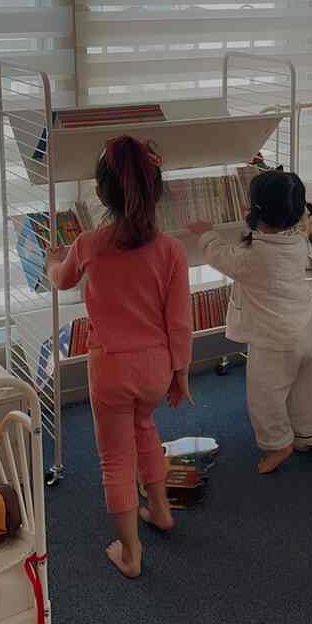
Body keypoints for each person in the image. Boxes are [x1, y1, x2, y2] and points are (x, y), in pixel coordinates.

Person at [47, 135, 192, 578]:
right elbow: (180, 321)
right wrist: (180, 374)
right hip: (156, 365)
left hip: (110, 366)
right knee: (146, 430)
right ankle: (161, 511)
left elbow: (62, 280)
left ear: (100, 193)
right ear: (156, 189)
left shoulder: (88, 244)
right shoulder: (172, 250)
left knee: (115, 457)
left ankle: (130, 554)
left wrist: (56, 259)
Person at [188, 169, 312, 474]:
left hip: (274, 341)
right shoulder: (300, 242)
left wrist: (206, 233)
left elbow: (220, 255)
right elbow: (268, 232)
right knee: (307, 389)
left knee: (266, 396)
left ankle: (277, 445)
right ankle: (308, 434)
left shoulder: (253, 257)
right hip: (308, 333)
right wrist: (254, 217)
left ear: (256, 211)